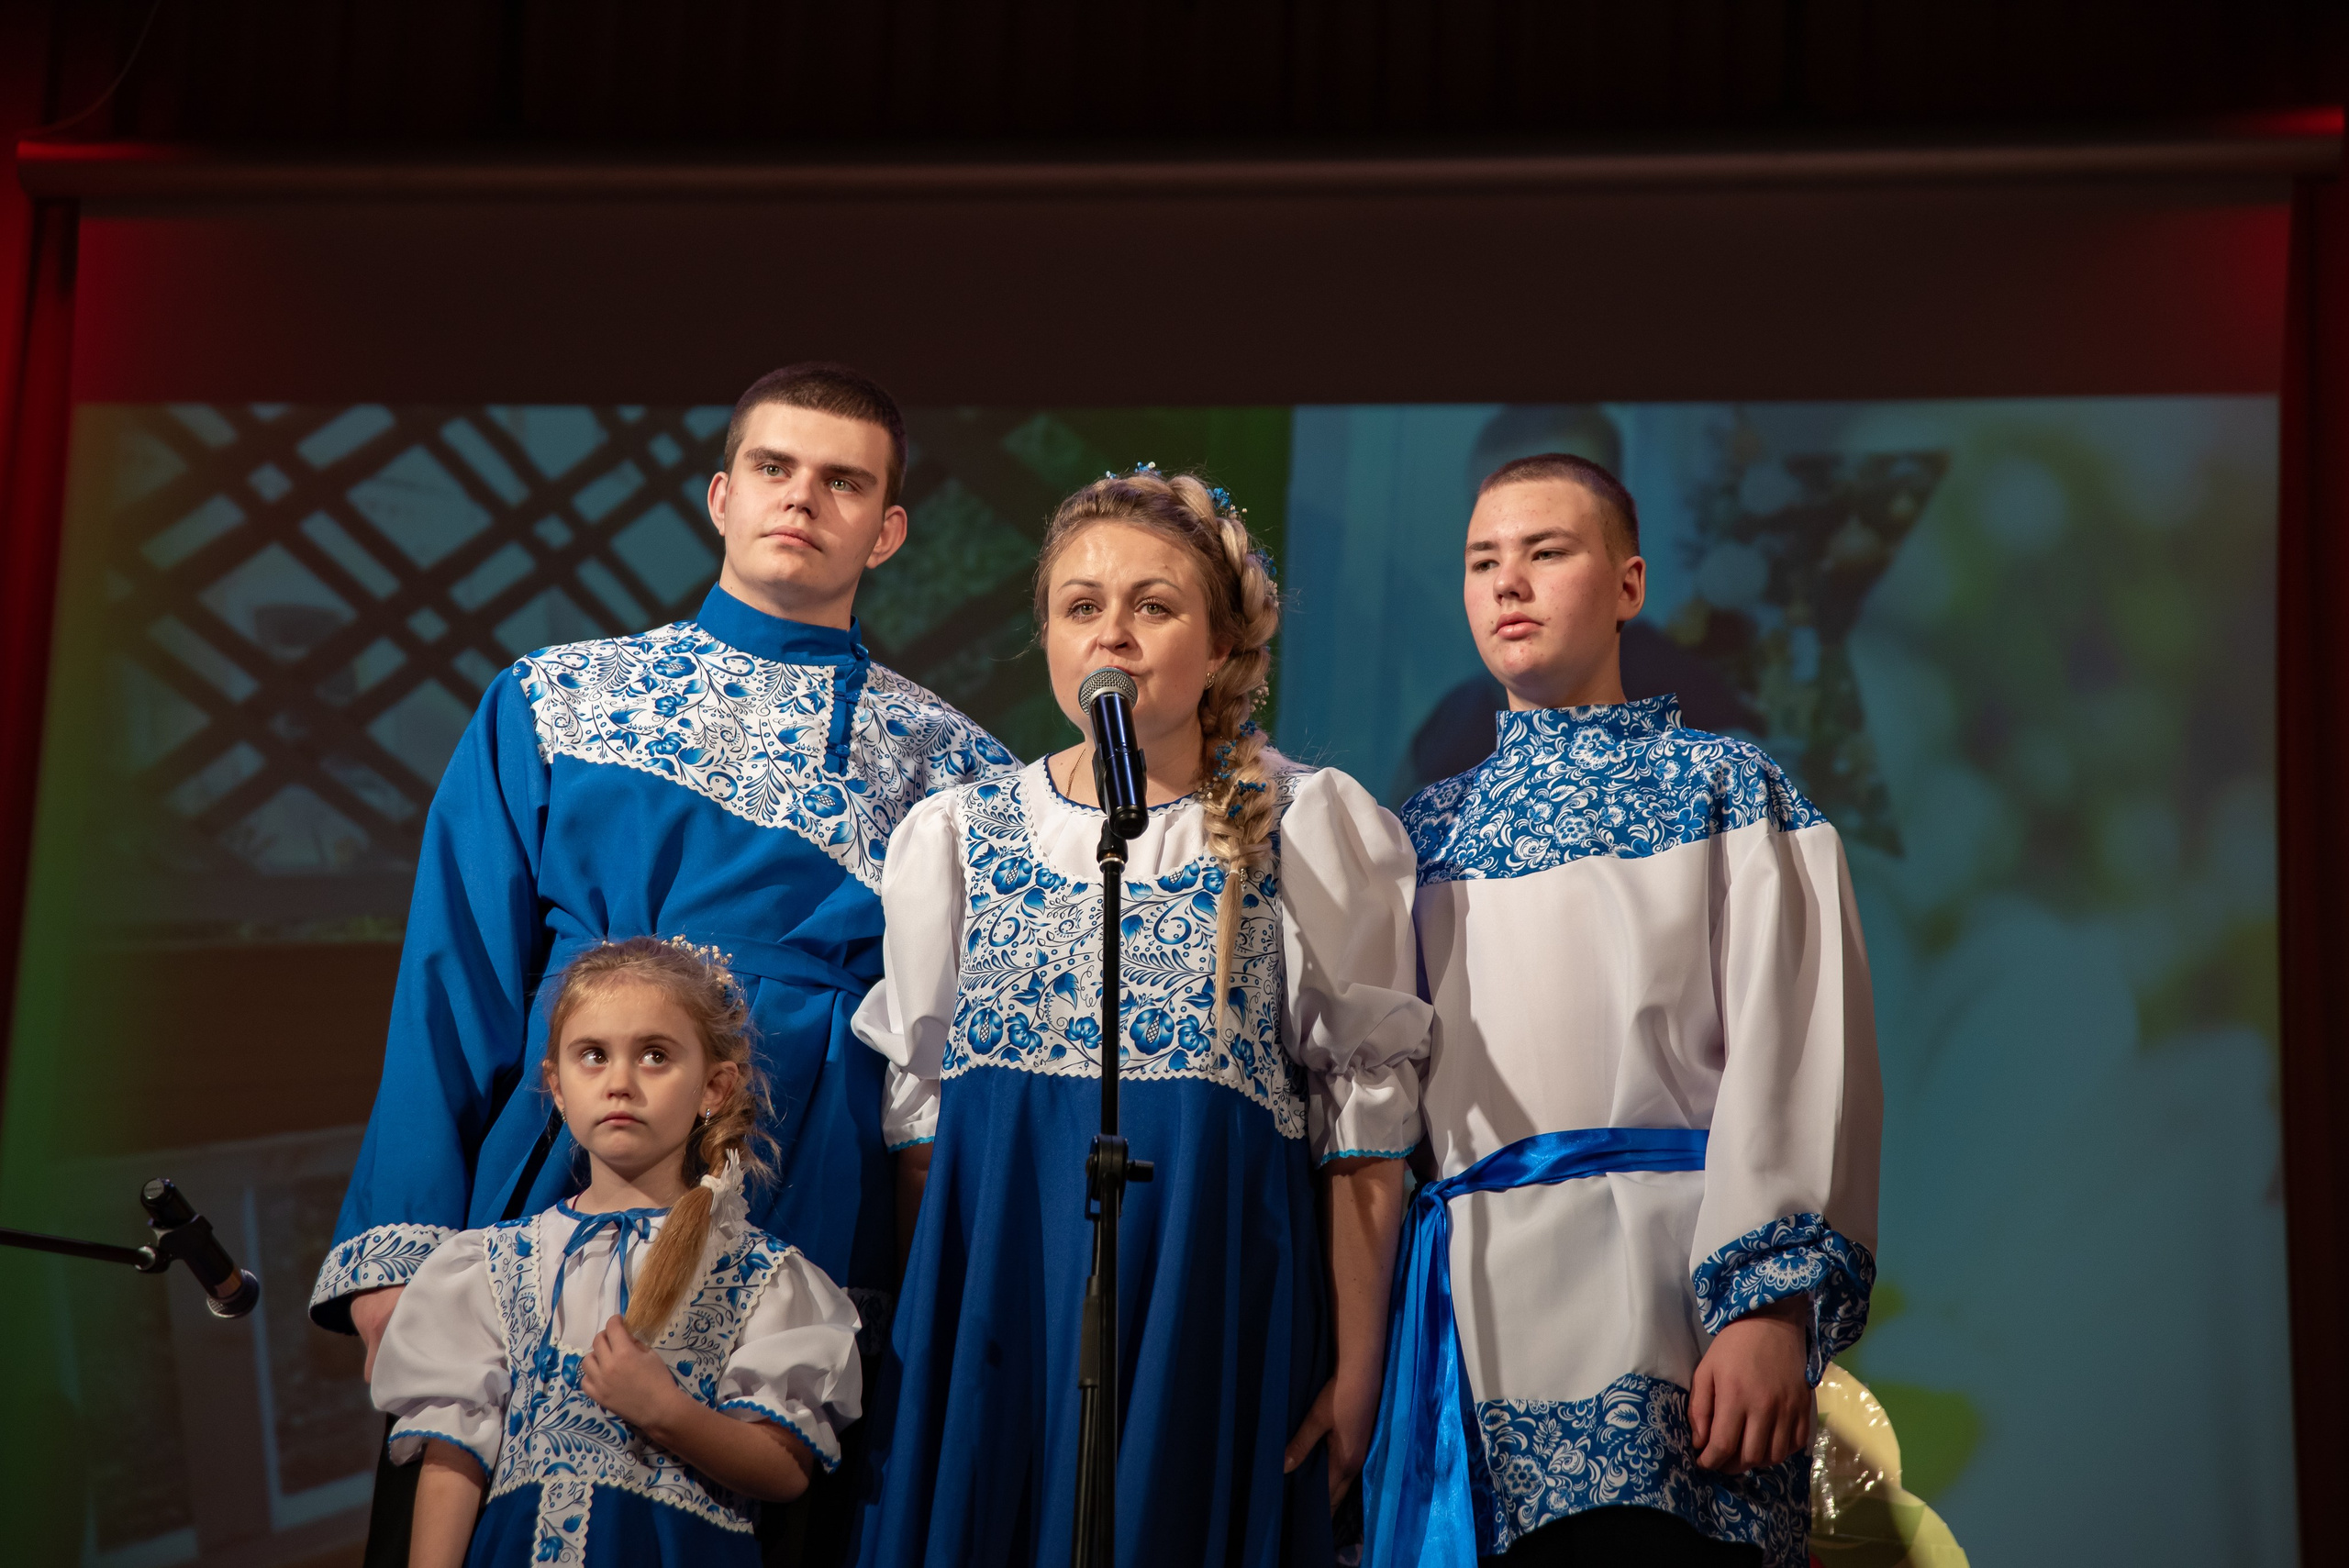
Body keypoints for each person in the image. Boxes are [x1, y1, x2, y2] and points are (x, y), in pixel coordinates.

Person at [311, 364, 1014, 1557]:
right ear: (720, 495)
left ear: (887, 529)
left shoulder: (957, 768)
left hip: (809, 1187)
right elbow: (454, 980)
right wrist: (405, 1247)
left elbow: (954, 1060)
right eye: (775, 470)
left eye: (844, 482)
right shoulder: (553, 697)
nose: (804, 500)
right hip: (562, 1162)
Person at [852, 466, 1432, 1566]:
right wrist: (933, 1347)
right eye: (1081, 606)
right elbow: (924, 1136)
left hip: (1204, 1297)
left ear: (1219, 645)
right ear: (1050, 636)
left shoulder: (1311, 822)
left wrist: (1358, 1368)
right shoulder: (956, 835)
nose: (1111, 632)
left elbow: (1362, 1129)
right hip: (996, 1310)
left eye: (1152, 605)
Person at [1364, 454, 1881, 1568]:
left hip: (1673, 1301)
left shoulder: (1732, 789)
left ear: (1629, 584)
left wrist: (1767, 1306)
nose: (1509, 582)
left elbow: (1796, 1054)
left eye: (1546, 552)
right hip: (1473, 1313)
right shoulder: (1418, 834)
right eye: (1482, 562)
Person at [374, 937, 862, 1567]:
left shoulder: (762, 1275)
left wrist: (667, 1412)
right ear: (556, 1083)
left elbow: (784, 1467)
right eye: (593, 1056)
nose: (620, 1083)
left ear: (714, 1086)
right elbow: (454, 1457)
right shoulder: (488, 1266)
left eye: (655, 1055)